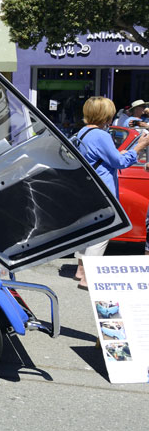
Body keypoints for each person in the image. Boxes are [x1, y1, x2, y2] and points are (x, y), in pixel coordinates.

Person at [73, 96, 149, 289]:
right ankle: (88, 278)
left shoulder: (82, 132)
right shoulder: (101, 135)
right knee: (105, 231)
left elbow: (104, 157)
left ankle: (80, 270)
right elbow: (120, 162)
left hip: (87, 189)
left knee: (89, 231)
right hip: (102, 191)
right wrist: (140, 146)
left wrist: (124, 152)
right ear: (105, 115)